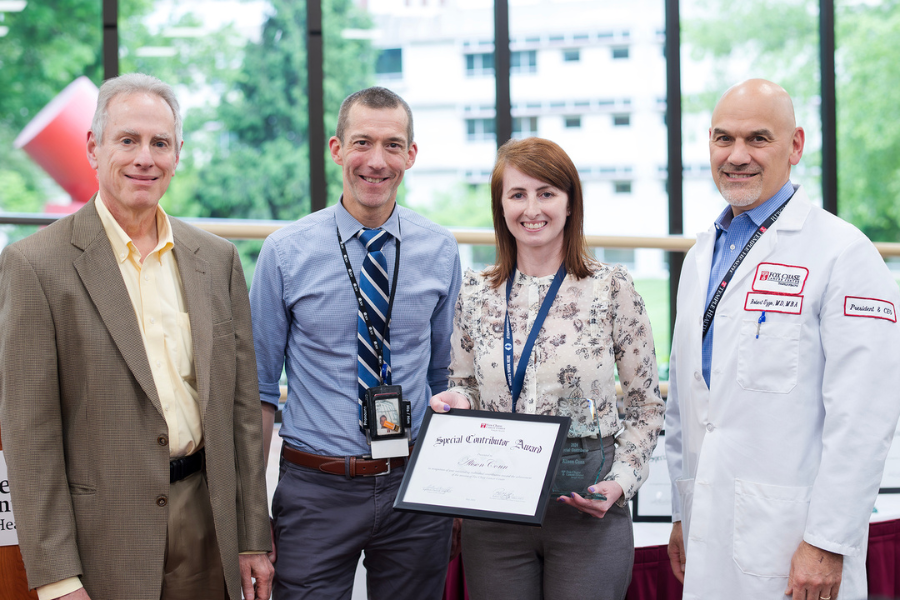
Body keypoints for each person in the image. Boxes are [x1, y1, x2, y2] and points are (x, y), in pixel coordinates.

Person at [0, 73, 273, 600]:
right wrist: (57, 579)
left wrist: (250, 540)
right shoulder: (35, 266)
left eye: (160, 143)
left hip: (206, 521)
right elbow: (30, 438)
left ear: (178, 154)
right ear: (93, 147)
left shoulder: (217, 260)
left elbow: (241, 413)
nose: (144, 158)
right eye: (127, 140)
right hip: (100, 537)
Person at [665, 79, 900, 600]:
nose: (737, 155)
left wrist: (827, 540)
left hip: (795, 542)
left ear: (795, 146)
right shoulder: (701, 256)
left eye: (758, 139)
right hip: (711, 528)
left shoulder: (844, 253)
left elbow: (864, 416)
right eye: (723, 139)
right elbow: (688, 405)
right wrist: (684, 513)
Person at [430, 137, 665, 600]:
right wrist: (459, 402)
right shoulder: (476, 293)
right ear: (501, 206)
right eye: (517, 194)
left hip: (587, 507)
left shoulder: (611, 288)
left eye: (546, 193)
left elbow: (645, 407)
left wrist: (619, 485)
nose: (531, 208)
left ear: (570, 202)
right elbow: (466, 387)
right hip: (495, 510)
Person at [251, 86, 461, 599]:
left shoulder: (440, 249)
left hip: (414, 488)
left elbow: (444, 379)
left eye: (392, 145)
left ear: (411, 155)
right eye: (362, 142)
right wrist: (251, 514)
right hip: (315, 488)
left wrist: (451, 490)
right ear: (336, 148)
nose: (376, 161)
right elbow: (257, 390)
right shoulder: (284, 253)